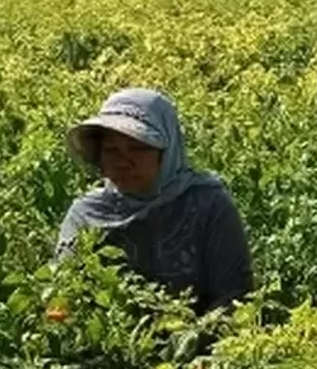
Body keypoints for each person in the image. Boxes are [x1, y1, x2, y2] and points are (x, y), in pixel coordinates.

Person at [55, 87, 253, 315]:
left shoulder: (208, 205)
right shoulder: (87, 214)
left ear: (166, 153)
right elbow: (64, 293)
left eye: (138, 149)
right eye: (111, 151)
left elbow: (235, 295)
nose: (123, 162)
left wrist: (189, 342)